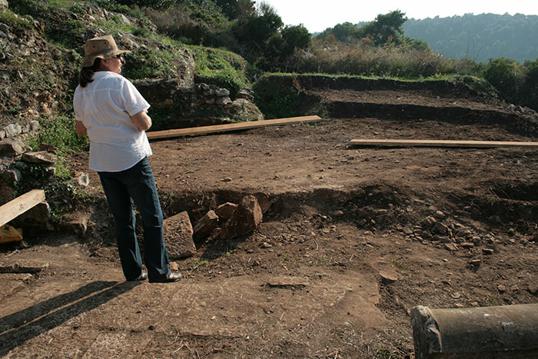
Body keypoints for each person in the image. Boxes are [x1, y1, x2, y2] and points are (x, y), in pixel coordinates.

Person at [73, 35, 181, 283]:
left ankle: (133, 272)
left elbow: (80, 129)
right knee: (152, 216)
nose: (121, 60)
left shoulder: (81, 90)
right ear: (103, 61)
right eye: (117, 56)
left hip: (103, 161)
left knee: (123, 219)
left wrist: (101, 125)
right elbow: (143, 123)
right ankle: (159, 271)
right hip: (130, 158)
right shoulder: (119, 84)